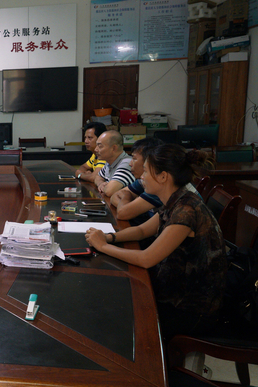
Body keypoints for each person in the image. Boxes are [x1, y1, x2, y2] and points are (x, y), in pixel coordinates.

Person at [85, 144, 227, 342]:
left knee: (116, 319)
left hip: (191, 309)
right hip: (174, 291)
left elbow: (146, 259)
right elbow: (143, 230)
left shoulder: (186, 211)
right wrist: (110, 238)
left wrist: (103, 247)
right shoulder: (176, 200)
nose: (141, 176)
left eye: (145, 171)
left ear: (163, 177)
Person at [110, 137, 163, 225]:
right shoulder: (143, 180)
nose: (130, 164)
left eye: (134, 159)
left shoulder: (158, 183)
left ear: (149, 160)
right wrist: (130, 207)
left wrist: (126, 197)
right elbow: (114, 197)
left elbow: (122, 213)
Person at [93, 130, 136, 197]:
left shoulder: (127, 163)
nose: (96, 149)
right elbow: (97, 177)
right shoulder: (109, 162)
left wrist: (106, 187)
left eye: (100, 146)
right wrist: (101, 183)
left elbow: (109, 191)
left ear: (114, 148)